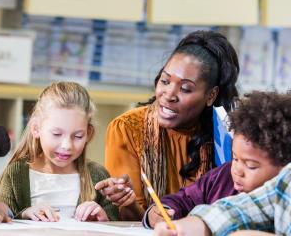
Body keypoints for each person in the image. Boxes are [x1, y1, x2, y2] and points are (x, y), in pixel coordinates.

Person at [95, 30, 240, 220]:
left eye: (186, 88)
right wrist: (128, 201)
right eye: (164, 80)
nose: (169, 94)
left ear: (211, 96)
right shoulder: (128, 128)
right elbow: (128, 221)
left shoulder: (225, 137)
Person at [143, 91, 291, 228]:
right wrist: (159, 213)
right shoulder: (221, 177)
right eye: (235, 158)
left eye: (251, 166)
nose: (237, 170)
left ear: (286, 168)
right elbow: (182, 200)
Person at [0, 82, 118, 222]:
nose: (66, 146)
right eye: (56, 134)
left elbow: (116, 224)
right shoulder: (15, 173)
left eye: (78, 136)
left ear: (88, 134)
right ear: (36, 129)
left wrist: (103, 219)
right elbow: (0, 220)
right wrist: (24, 214)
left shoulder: (98, 175)